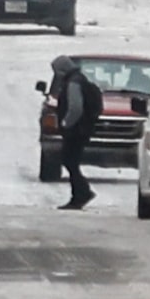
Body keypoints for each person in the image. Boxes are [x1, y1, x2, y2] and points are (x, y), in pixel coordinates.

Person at [51, 58, 101, 210]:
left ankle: (82, 193)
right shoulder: (79, 79)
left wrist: (66, 123)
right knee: (70, 161)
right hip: (81, 129)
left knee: (69, 161)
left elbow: (75, 107)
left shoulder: (73, 83)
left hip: (75, 131)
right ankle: (80, 194)